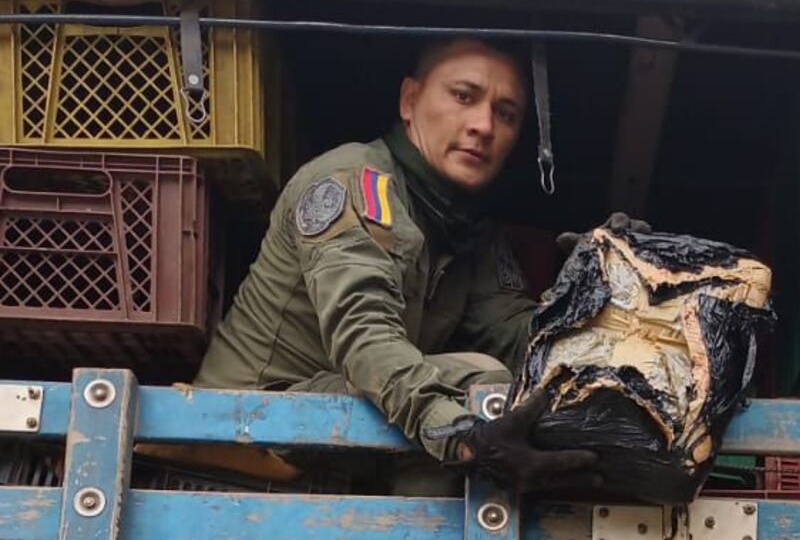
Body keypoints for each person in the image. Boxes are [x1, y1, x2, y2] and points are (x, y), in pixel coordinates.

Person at [195, 37, 602, 495]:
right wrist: (463, 438)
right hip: (245, 430)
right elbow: (364, 338)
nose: (483, 125)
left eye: (505, 114)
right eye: (464, 97)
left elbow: (522, 341)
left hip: (336, 434)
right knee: (480, 384)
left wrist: (602, 294)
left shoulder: (473, 233)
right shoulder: (356, 181)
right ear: (410, 100)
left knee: (513, 393)